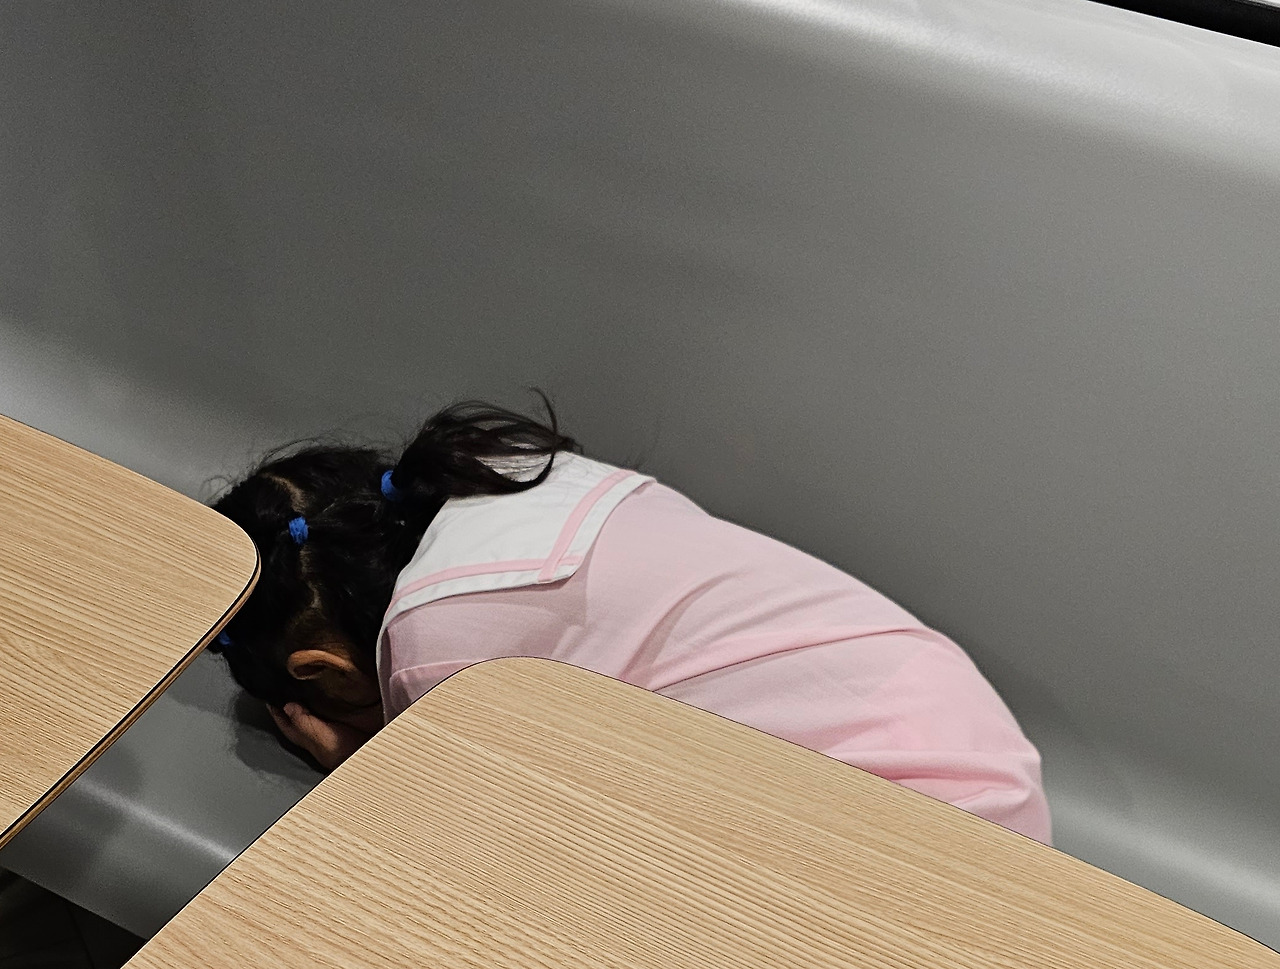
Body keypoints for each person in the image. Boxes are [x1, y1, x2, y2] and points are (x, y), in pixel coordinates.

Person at [209, 395, 1052, 844]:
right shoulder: (518, 481)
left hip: (908, 853)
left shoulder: (435, 651)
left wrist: (363, 765)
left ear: (322, 671)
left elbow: (499, 835)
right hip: (973, 769)